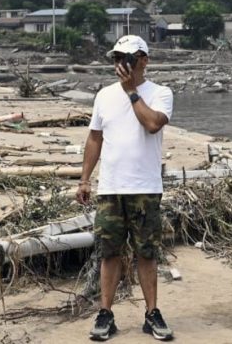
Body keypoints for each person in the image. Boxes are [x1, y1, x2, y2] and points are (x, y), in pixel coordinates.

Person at [76, 35, 174, 341]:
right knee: (109, 252)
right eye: (117, 59)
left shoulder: (160, 92)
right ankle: (105, 314)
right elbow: (95, 138)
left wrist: (132, 91)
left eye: (127, 59)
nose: (121, 65)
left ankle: (152, 314)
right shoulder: (104, 95)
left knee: (147, 253)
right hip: (110, 187)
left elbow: (153, 124)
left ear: (144, 60)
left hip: (144, 188)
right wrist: (84, 178)